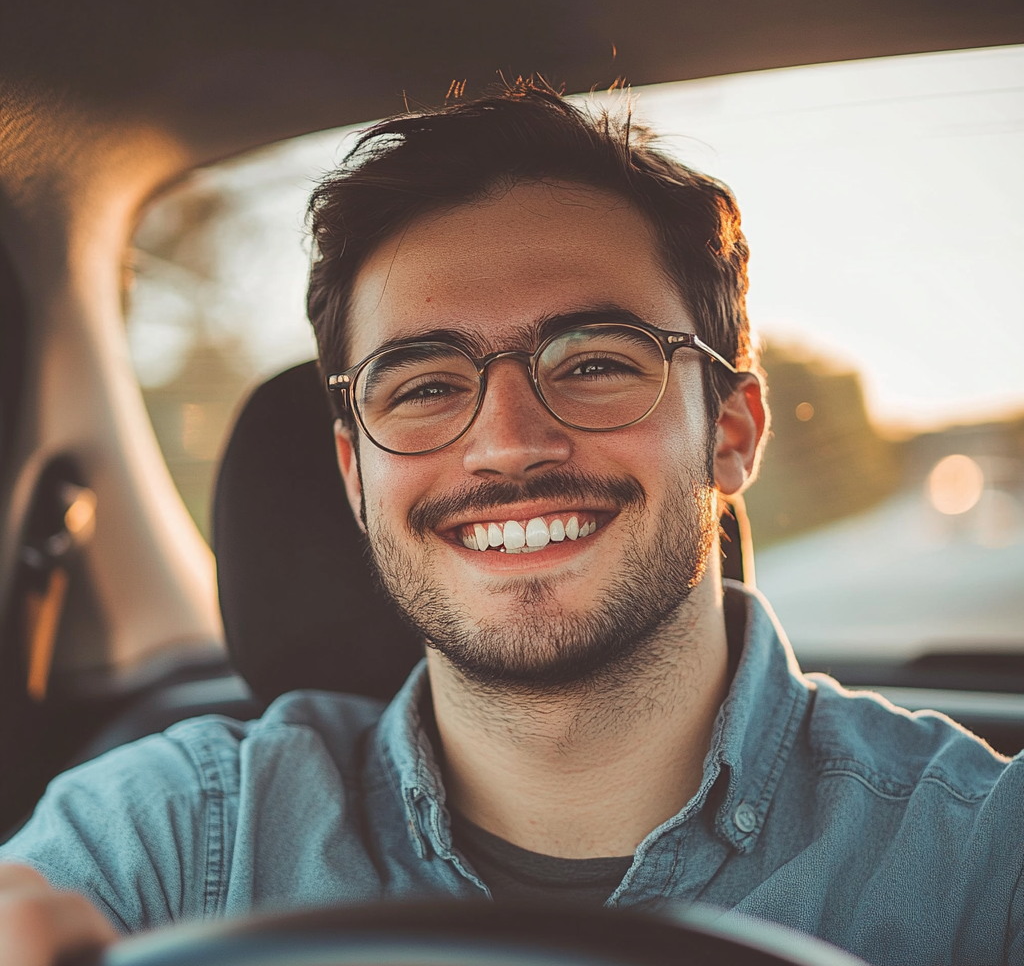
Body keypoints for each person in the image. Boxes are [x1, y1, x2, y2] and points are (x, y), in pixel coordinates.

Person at [0, 79, 1021, 966]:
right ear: (354, 474)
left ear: (732, 433)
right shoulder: (171, 839)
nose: (506, 444)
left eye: (593, 363)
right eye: (425, 385)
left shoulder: (983, 858)